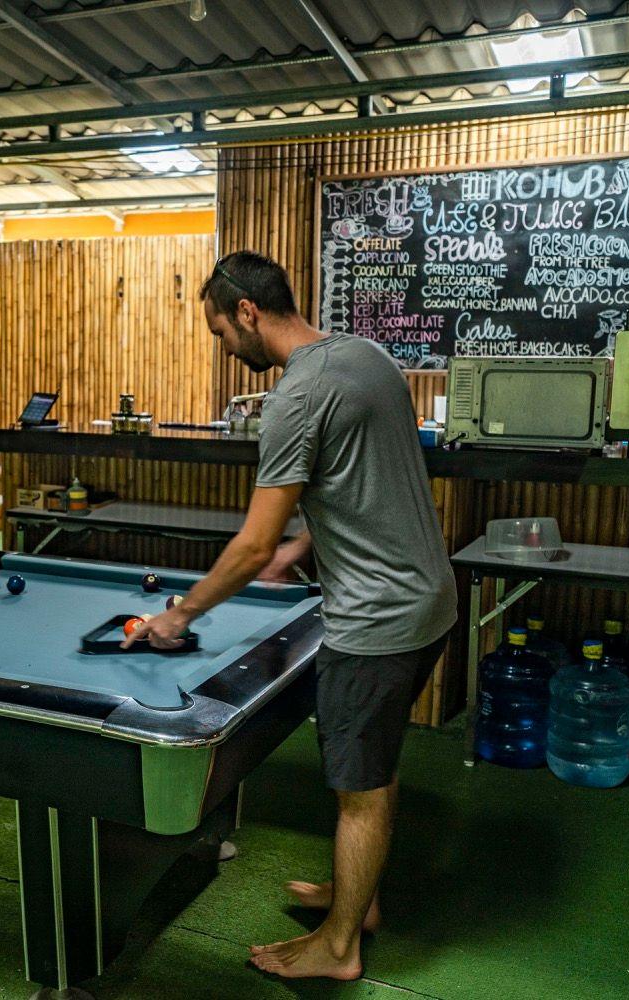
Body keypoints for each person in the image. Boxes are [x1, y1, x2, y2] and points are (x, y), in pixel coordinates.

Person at [122, 250, 457, 981]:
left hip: (376, 622)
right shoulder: (366, 357)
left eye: (220, 332)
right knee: (378, 763)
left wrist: (178, 615)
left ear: (246, 312)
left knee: (357, 793)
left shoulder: (296, 398)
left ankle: (339, 948)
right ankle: (355, 898)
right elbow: (369, 481)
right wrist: (304, 547)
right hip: (431, 602)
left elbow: (249, 546)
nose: (225, 348)